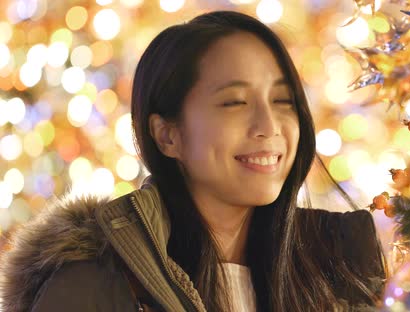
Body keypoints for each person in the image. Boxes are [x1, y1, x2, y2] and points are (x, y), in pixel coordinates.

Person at [0, 11, 386, 312]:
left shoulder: (341, 266)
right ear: (168, 135)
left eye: (283, 101)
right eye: (234, 102)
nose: (269, 126)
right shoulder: (96, 284)